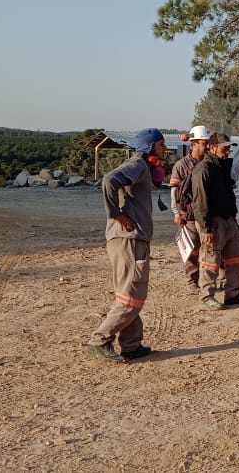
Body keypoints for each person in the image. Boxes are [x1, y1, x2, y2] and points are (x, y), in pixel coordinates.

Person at [86, 127, 167, 363]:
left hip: (130, 240)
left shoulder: (142, 167)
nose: (164, 149)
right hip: (129, 240)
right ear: (151, 147)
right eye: (161, 145)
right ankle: (100, 339)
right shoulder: (138, 165)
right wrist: (116, 214)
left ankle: (131, 345)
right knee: (132, 294)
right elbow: (109, 180)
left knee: (129, 293)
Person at [190, 132, 239, 310]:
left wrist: (233, 220)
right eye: (225, 148)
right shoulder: (204, 169)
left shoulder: (222, 167)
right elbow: (200, 201)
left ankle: (233, 294)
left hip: (229, 220)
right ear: (212, 147)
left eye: (229, 148)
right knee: (210, 261)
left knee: (236, 259)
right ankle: (207, 296)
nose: (228, 151)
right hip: (213, 222)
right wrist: (206, 228)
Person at [169, 125, 211, 293]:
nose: (206, 146)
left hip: (208, 215)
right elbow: (175, 192)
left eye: (207, 143)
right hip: (190, 215)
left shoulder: (210, 163)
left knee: (212, 248)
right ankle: (192, 281)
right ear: (193, 143)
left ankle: (218, 279)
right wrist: (177, 213)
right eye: (203, 143)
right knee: (192, 250)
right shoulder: (181, 166)